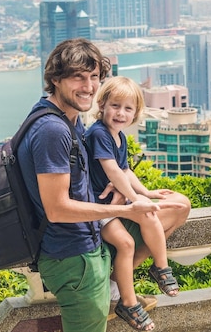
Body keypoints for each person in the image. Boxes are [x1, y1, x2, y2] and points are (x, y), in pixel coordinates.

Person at [17, 38, 189, 332]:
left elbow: (104, 170)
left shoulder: (70, 120)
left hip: (90, 242)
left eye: (94, 77)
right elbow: (57, 209)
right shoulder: (52, 131)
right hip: (73, 257)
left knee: (177, 208)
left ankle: (118, 287)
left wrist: (127, 193)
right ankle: (117, 289)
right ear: (55, 79)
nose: (88, 86)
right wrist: (125, 209)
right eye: (78, 77)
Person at [85, 76, 183, 331]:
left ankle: (160, 267)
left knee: (152, 216)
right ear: (103, 104)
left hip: (115, 205)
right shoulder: (98, 133)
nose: (120, 113)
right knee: (126, 243)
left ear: (136, 113)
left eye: (128, 108)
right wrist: (136, 199)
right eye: (115, 106)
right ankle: (128, 301)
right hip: (99, 209)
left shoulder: (119, 137)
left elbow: (126, 171)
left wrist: (146, 192)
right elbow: (113, 172)